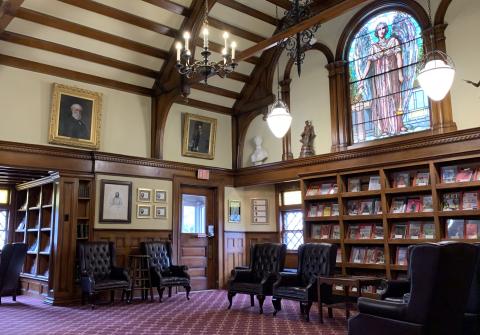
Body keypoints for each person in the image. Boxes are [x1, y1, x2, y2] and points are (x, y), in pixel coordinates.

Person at [360, 22, 405, 137]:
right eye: (379, 29)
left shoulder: (393, 41)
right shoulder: (373, 47)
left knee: (396, 98)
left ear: (386, 29)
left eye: (383, 28)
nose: (381, 31)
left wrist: (400, 73)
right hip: (380, 78)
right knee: (382, 101)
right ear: (376, 32)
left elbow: (399, 58)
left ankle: (399, 125)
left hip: (392, 74)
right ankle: (384, 128)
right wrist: (361, 79)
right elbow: (368, 65)